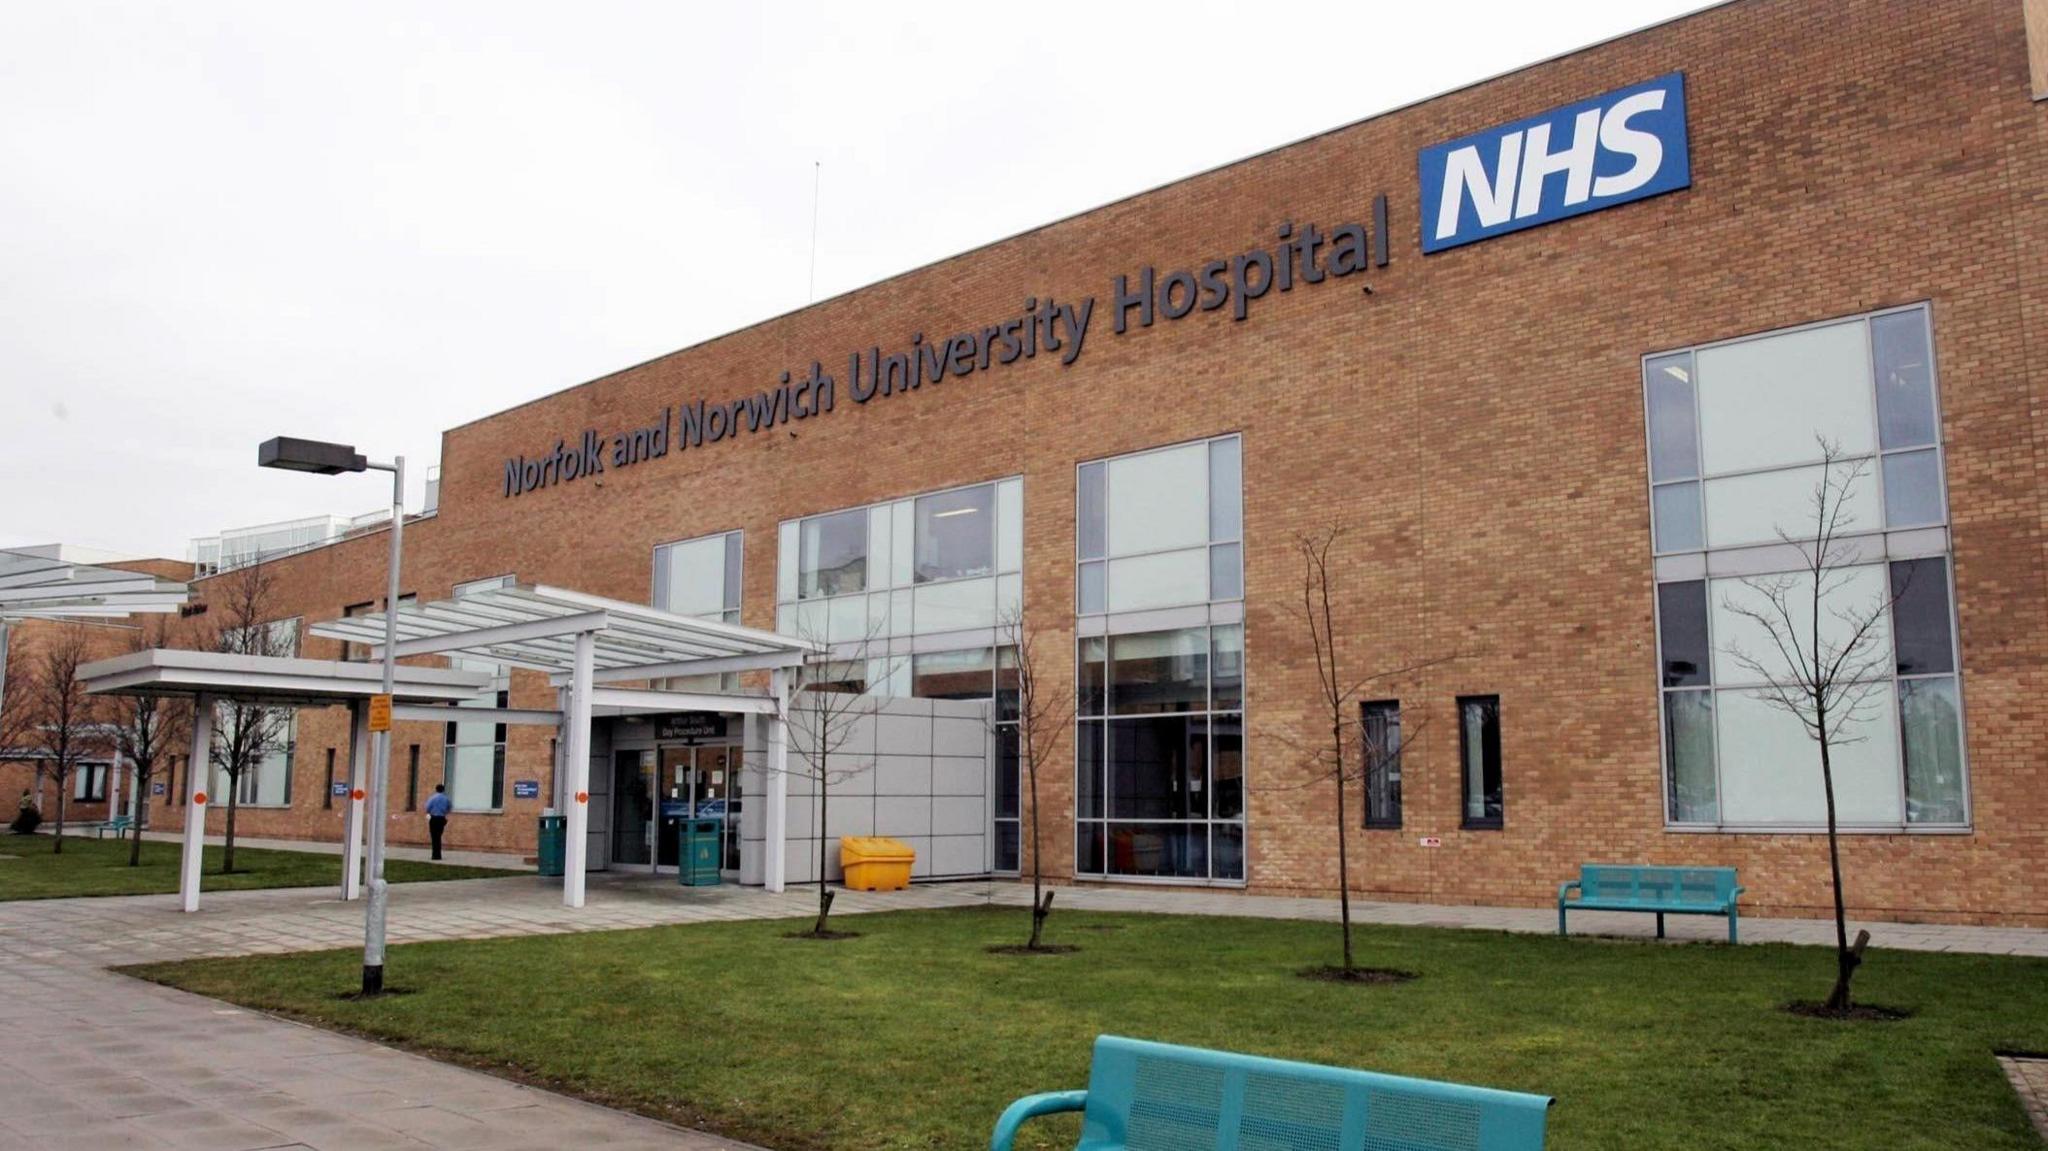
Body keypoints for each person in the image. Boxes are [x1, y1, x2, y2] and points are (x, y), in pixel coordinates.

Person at [425, 784, 452, 860]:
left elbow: (427, 808)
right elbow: (449, 808)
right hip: (441, 818)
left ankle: (435, 855)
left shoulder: (432, 798)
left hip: (433, 818)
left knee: (434, 837)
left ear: (436, 789)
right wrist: (444, 812)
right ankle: (438, 855)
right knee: (439, 836)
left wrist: (430, 812)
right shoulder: (446, 799)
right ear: (443, 790)